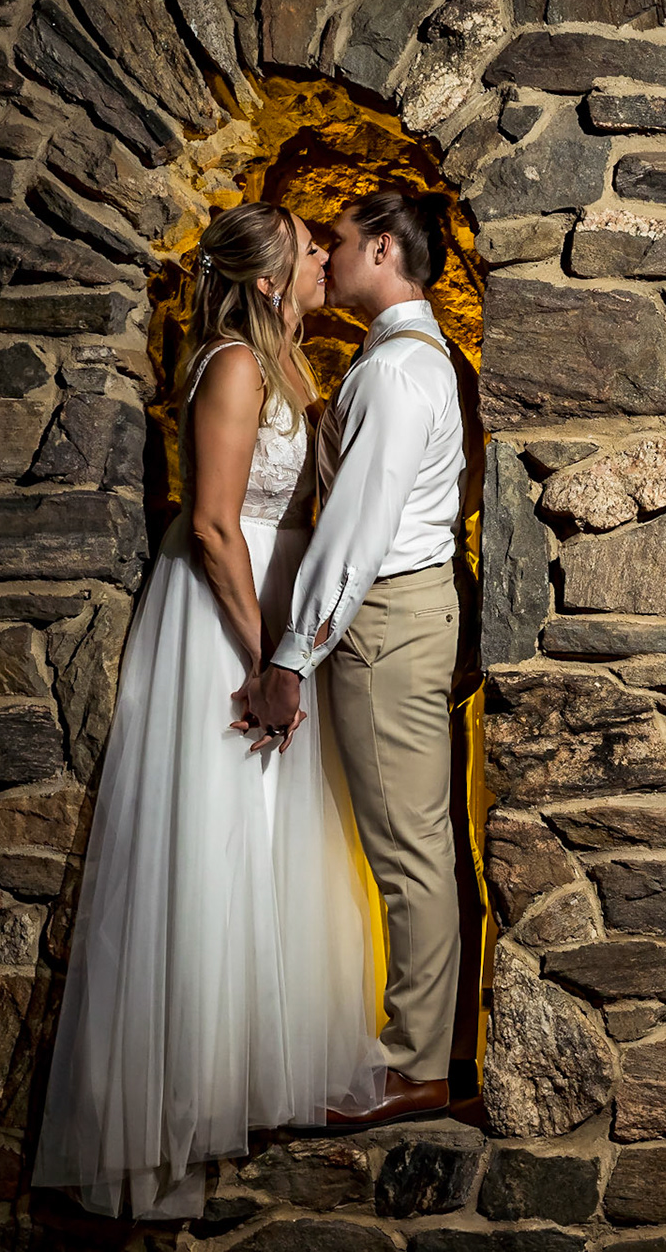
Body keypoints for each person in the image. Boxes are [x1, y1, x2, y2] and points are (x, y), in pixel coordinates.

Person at [32, 202, 386, 1219]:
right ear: (269, 279)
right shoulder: (234, 365)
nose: (325, 256)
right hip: (226, 621)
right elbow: (219, 524)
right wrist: (267, 656)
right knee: (214, 838)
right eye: (310, 250)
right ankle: (179, 1103)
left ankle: (251, 1078)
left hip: (277, 620)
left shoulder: (290, 363)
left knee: (275, 842)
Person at [250, 188, 468, 1127]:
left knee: (410, 851)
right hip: (397, 619)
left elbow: (356, 533)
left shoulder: (393, 375)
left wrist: (292, 657)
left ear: (383, 250)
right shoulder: (411, 358)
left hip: (385, 622)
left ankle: (416, 1065)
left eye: (338, 243)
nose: (327, 258)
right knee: (407, 841)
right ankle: (422, 1048)